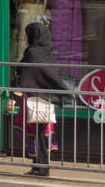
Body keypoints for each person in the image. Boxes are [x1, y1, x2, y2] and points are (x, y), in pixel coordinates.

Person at [13, 22, 68, 177]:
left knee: (38, 135)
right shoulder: (46, 52)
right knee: (41, 135)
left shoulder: (32, 52)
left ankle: (41, 168)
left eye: (27, 34)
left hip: (35, 100)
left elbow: (25, 72)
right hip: (44, 99)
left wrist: (15, 96)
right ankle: (38, 166)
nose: (25, 37)